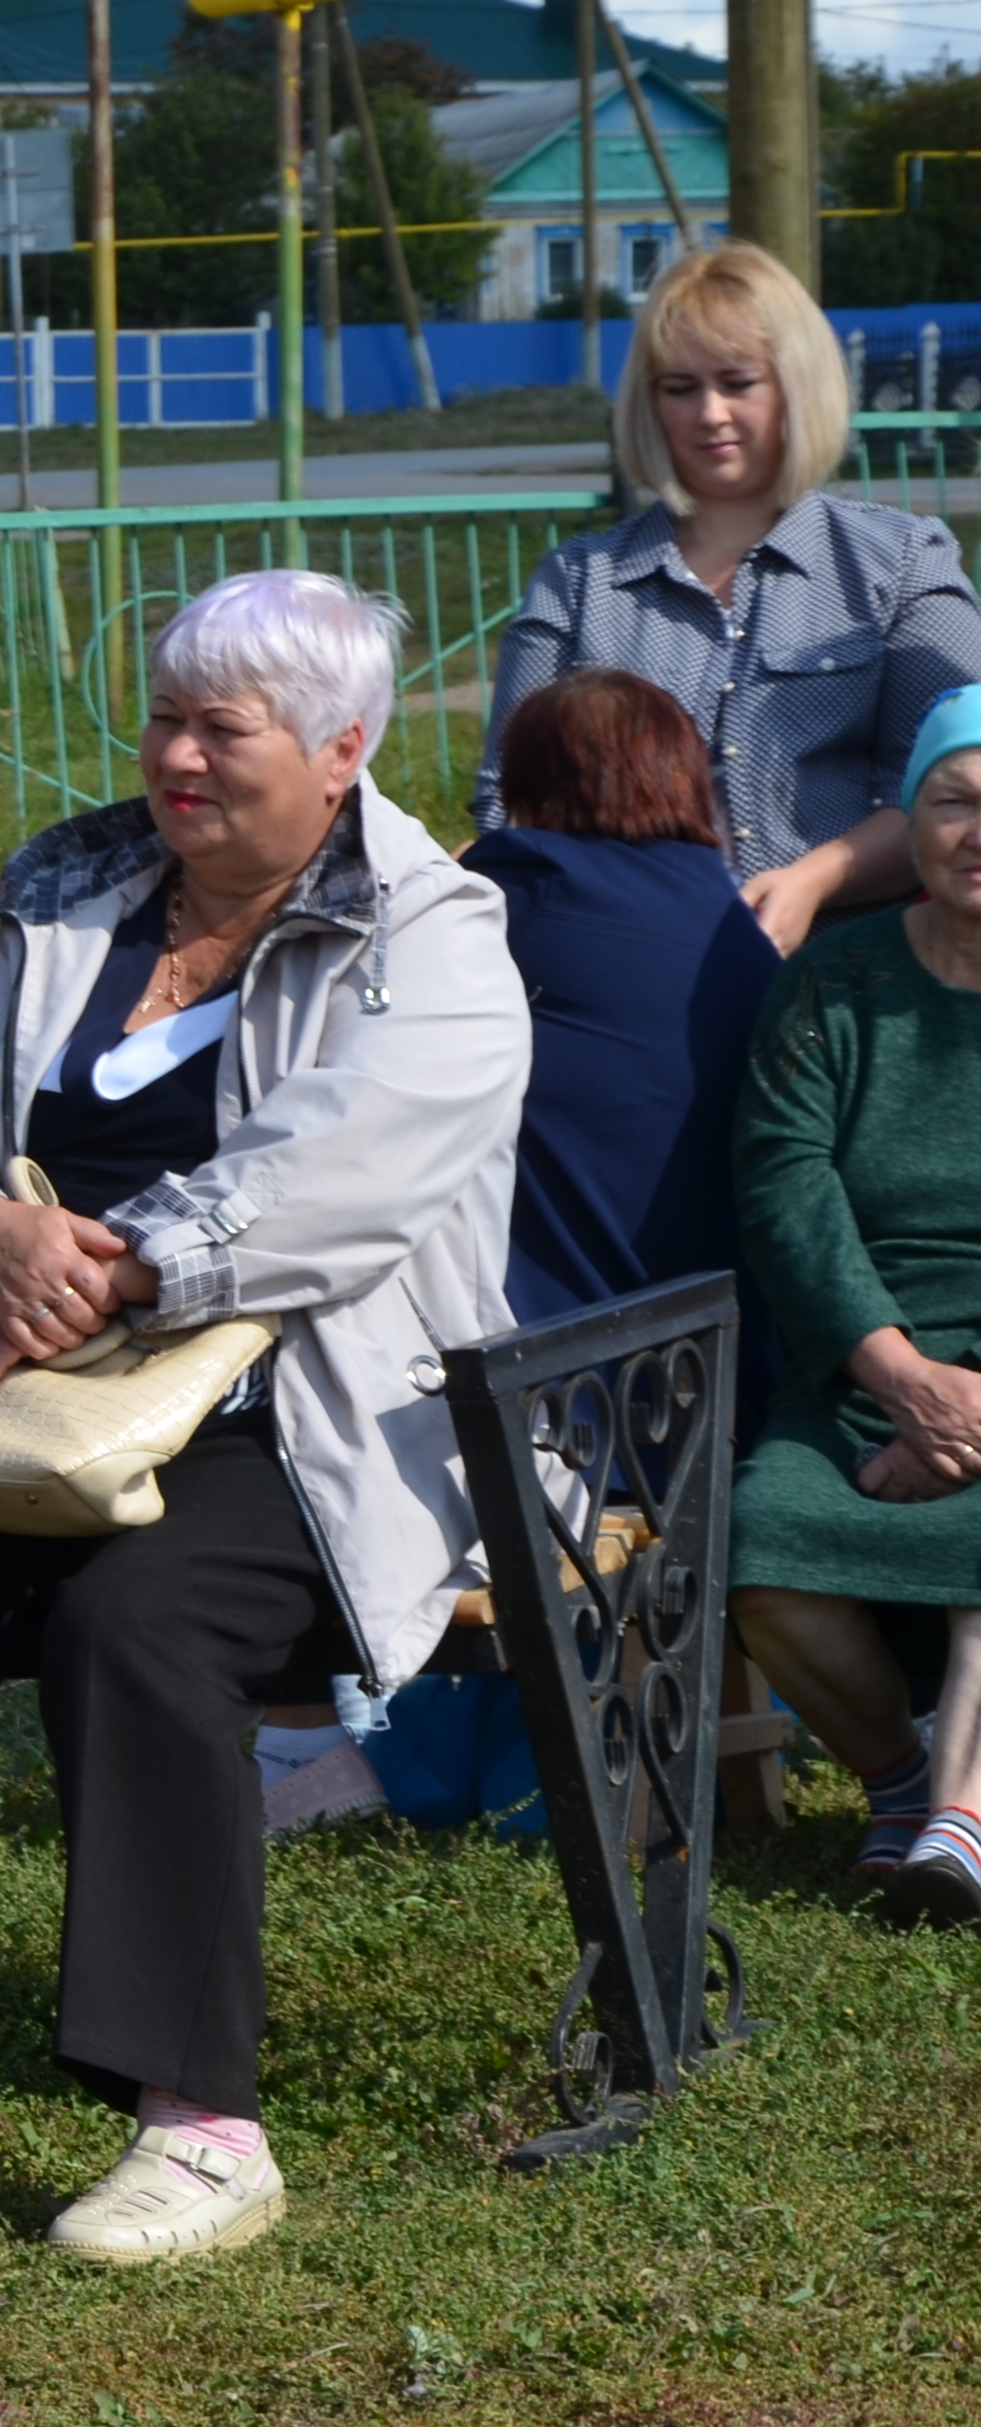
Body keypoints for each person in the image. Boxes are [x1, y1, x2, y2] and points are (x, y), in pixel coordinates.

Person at [0, 569, 526, 2267]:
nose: (175, 756)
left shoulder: (431, 932)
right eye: (162, 715)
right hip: (25, 1392)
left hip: (301, 1416)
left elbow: (334, 1177)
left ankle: (199, 2126)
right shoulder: (74, 886)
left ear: (343, 745)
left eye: (224, 727)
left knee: (133, 1626)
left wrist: (105, 1269)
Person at [478, 243, 981, 954]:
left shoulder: (902, 563)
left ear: (796, 387)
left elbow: (952, 788)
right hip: (627, 970)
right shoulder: (577, 582)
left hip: (848, 975)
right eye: (680, 388)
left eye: (737, 382)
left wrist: (814, 881)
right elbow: (506, 799)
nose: (709, 413)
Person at [725, 687, 981, 1925]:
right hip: (860, 1361)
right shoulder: (836, 982)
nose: (977, 831)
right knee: (761, 1545)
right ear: (909, 821)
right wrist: (895, 1379)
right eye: (951, 801)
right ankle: (897, 1785)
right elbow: (783, 1178)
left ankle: (960, 1820)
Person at [466, 670, 782, 1326]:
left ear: (528, 785)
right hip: (732, 1330)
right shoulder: (731, 915)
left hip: (568, 1343)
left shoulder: (530, 883)